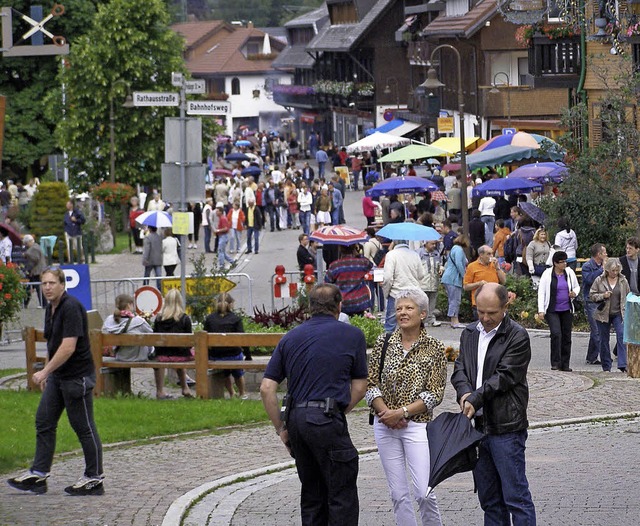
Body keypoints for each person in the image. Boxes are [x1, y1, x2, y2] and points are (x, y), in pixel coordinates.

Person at [260, 284, 368, 526]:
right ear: (339, 306)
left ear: (309, 308)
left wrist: (281, 428)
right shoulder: (352, 335)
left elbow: (267, 388)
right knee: (341, 494)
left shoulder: (290, 337)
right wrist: (337, 410)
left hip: (296, 420)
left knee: (312, 494)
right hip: (327, 418)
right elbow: (360, 388)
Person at [7, 268, 105, 495]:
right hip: (59, 377)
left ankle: (94, 478)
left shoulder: (71, 307)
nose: (48, 287)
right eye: (44, 284)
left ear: (63, 284)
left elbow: (68, 347)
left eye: (52, 283)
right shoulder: (51, 308)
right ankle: (39, 475)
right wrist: (49, 373)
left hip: (76, 377)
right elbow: (54, 344)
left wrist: (44, 372)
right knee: (44, 421)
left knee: (84, 427)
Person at [451, 283, 536, 525]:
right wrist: (464, 393)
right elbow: (460, 369)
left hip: (505, 426)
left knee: (516, 498)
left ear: (505, 307)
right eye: (480, 312)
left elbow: (505, 376)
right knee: (490, 501)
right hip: (476, 429)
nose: (485, 318)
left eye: (492, 313)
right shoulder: (469, 332)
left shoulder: (517, 335)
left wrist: (475, 397)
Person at [366, 289, 447, 526]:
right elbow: (371, 384)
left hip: (416, 425)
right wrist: (386, 414)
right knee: (399, 494)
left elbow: (435, 393)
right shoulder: (384, 342)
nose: (402, 312)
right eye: (399, 308)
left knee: (424, 491)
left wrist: (401, 413)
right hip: (384, 426)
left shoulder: (434, 347)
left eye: (408, 308)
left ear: (422, 313)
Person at [537, 251, 580, 371]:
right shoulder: (547, 274)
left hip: (566, 308)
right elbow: (542, 292)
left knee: (567, 336)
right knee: (556, 334)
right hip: (552, 309)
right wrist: (541, 310)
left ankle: (565, 364)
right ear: (555, 263)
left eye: (565, 261)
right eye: (562, 262)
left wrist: (574, 293)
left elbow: (576, 286)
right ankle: (555, 362)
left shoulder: (569, 273)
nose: (564, 264)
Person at [203, 293, 249, 398]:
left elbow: (204, 337)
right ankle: (242, 393)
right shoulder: (235, 319)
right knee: (238, 372)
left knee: (224, 372)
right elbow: (243, 339)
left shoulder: (210, 319)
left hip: (216, 356)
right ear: (231, 304)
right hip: (233, 355)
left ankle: (232, 393)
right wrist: (248, 356)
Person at [589, 257, 630, 373]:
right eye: (613, 271)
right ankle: (606, 365)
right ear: (607, 270)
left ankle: (623, 364)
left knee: (622, 336)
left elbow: (627, 295)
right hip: (603, 314)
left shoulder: (623, 281)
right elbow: (592, 295)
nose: (615, 273)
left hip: (619, 313)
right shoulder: (599, 280)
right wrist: (603, 296)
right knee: (603, 340)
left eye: (617, 270)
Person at [153, 289, 194, 399]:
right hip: (181, 355)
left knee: (161, 358)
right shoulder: (185, 319)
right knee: (181, 353)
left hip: (162, 355)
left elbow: (154, 338)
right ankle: (185, 388)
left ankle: (160, 391)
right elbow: (189, 342)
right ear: (180, 301)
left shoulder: (158, 318)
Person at [382, 240, 427, 332]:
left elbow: (387, 278)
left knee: (390, 326)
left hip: (396, 293)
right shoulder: (415, 254)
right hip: (414, 295)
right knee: (414, 324)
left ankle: (386, 345)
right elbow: (421, 275)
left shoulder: (391, 254)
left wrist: (386, 293)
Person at [102, 294, 153, 362]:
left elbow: (103, 333)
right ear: (129, 305)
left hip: (119, 356)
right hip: (139, 356)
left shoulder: (109, 320)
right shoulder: (138, 321)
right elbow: (151, 334)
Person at [325, 244, 373, 316]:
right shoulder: (361, 263)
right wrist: (359, 254)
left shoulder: (335, 265)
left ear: (340, 249)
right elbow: (370, 264)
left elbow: (327, 282)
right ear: (354, 248)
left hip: (342, 303)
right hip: (359, 303)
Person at [463, 245, 507, 319]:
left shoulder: (494, 265)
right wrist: (479, 283)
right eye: (488, 254)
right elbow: (466, 287)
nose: (491, 256)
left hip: (494, 302)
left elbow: (503, 281)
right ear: (481, 255)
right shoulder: (472, 266)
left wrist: (498, 268)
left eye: (492, 254)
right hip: (480, 304)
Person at [581, 243, 607, 365]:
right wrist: (601, 270)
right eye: (604, 252)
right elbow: (589, 280)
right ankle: (601, 356)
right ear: (599, 254)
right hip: (591, 300)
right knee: (596, 330)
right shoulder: (587, 266)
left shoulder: (605, 265)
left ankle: (591, 357)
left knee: (599, 329)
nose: (606, 255)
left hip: (603, 299)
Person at [441, 234, 469, 328]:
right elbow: (459, 263)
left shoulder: (454, 248)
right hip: (453, 278)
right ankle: (454, 321)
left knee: (452, 299)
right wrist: (464, 276)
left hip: (448, 277)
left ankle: (454, 320)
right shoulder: (459, 250)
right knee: (455, 300)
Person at [417, 240, 442, 327]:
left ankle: (431, 319)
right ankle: (421, 320)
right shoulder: (419, 253)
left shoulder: (436, 254)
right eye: (432, 244)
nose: (434, 246)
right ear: (426, 243)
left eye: (435, 244)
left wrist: (441, 268)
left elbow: (440, 264)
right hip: (423, 283)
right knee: (422, 303)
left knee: (432, 302)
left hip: (433, 282)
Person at [22, 234, 47, 307]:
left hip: (37, 271)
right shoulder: (36, 246)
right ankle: (25, 303)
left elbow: (35, 259)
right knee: (30, 287)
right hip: (36, 271)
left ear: (29, 242)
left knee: (37, 288)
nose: (26, 245)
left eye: (26, 243)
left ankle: (43, 304)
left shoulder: (34, 248)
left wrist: (26, 254)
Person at [214, 203, 236, 270]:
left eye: (217, 211)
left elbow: (226, 228)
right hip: (222, 236)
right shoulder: (222, 218)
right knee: (223, 252)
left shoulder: (223, 218)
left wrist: (217, 230)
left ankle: (221, 265)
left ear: (221, 212)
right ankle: (232, 262)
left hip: (223, 236)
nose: (216, 212)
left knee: (220, 251)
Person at [63, 199, 86, 263]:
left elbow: (83, 220)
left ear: (71, 205)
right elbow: (65, 222)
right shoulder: (66, 214)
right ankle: (70, 260)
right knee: (69, 247)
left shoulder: (77, 212)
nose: (67, 205)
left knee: (78, 246)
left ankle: (81, 259)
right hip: (68, 232)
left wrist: (76, 220)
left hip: (76, 232)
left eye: (68, 204)